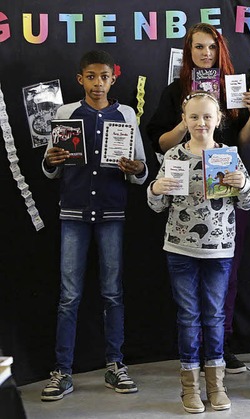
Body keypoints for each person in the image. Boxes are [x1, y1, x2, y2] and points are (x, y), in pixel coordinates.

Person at [147, 22, 250, 373]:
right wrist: (188, 119)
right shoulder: (173, 90)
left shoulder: (233, 87)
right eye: (198, 47)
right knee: (188, 295)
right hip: (185, 203)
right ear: (189, 51)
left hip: (224, 202)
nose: (206, 53)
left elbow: (239, 145)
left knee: (226, 276)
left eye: (211, 46)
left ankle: (221, 347)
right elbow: (160, 143)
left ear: (220, 49)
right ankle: (193, 362)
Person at [40, 50, 147, 401]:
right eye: (91, 76)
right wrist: (50, 160)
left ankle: (115, 365)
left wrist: (136, 170)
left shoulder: (126, 114)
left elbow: (142, 170)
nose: (97, 83)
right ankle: (62, 370)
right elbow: (52, 169)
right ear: (80, 79)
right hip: (73, 212)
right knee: (69, 295)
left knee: (112, 292)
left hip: (112, 213)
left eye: (104, 77)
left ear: (113, 79)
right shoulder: (65, 113)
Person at [147, 92, 250, 413]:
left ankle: (216, 384)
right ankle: (190, 387)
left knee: (215, 317)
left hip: (219, 252)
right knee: (189, 318)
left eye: (207, 116)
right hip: (180, 249)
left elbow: (249, 203)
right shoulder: (174, 157)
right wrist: (155, 188)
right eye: (194, 117)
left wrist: (244, 185)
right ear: (184, 119)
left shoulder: (230, 156)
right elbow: (155, 205)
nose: (200, 123)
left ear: (219, 119)